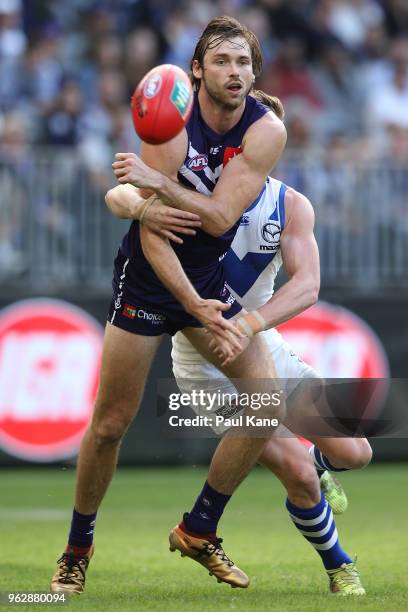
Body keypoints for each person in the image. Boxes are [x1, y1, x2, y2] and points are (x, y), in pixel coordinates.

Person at [50, 15, 287, 595]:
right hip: (151, 282)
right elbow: (154, 235)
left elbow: (218, 217)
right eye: (222, 61)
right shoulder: (169, 120)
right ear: (197, 71)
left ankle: (199, 529)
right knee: (110, 425)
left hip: (208, 281)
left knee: (266, 403)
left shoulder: (266, 130)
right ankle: (76, 550)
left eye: (244, 63)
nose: (235, 72)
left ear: (254, 73)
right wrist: (191, 300)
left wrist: (151, 194)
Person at [108, 166, 369, 595]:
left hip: (262, 347)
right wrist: (140, 208)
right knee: (297, 472)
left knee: (356, 452)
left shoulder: (290, 205)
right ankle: (340, 567)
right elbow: (116, 196)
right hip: (205, 367)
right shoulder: (195, 188)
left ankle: (321, 470)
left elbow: (307, 286)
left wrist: (249, 325)